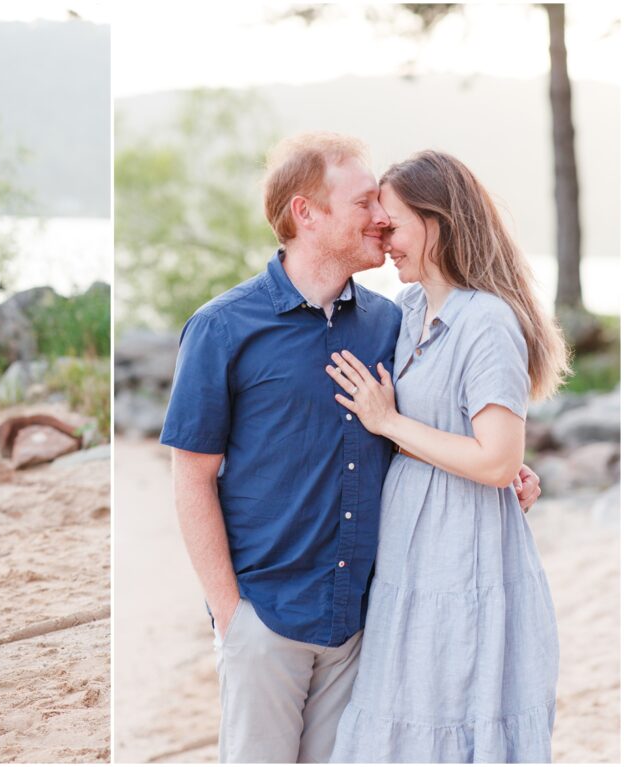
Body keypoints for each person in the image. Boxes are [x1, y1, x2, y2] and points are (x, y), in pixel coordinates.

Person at [159, 132, 541, 763]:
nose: (380, 218)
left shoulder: (392, 322)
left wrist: (504, 467)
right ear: (305, 213)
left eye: (384, 207)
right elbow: (191, 478)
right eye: (365, 202)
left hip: (362, 622)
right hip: (267, 616)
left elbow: (425, 420)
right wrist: (232, 616)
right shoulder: (223, 327)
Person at [327, 150, 569, 763]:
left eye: (394, 225)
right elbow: (478, 445)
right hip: (410, 550)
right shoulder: (409, 312)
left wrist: (390, 421)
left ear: (436, 224)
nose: (384, 239)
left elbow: (492, 461)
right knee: (401, 716)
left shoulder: (485, 321)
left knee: (455, 718)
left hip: (462, 553)